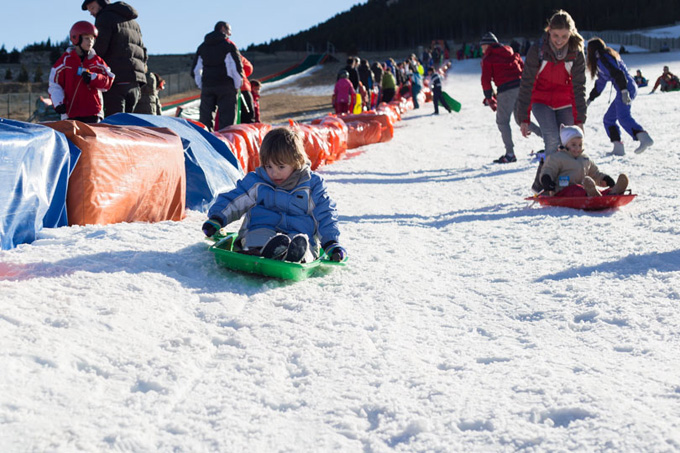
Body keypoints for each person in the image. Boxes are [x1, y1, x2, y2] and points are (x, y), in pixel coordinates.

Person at [201, 127, 346, 263]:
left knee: (301, 242)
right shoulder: (257, 181)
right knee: (257, 235)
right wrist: (217, 218)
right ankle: (259, 251)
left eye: (281, 167)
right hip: (262, 226)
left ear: (297, 162)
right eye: (269, 166)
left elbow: (325, 214)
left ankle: (296, 256)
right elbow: (235, 199)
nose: (274, 173)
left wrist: (331, 242)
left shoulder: (311, 185)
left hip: (298, 232)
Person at [515, 10, 587, 192]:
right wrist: (524, 117)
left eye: (564, 36)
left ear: (571, 33)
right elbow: (527, 84)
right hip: (541, 99)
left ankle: (555, 183)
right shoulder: (538, 51)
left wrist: (580, 120)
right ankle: (549, 185)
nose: (559, 40)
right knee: (552, 138)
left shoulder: (576, 52)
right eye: (555, 35)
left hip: (565, 101)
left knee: (569, 143)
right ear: (549, 31)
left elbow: (579, 88)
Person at [479, 31, 541, 164]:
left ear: (488, 45)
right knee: (521, 120)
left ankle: (510, 153)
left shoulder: (489, 58)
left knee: (502, 121)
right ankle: (550, 141)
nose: (482, 49)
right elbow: (523, 69)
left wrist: (489, 98)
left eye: (483, 46)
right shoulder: (511, 52)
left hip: (506, 90)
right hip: (521, 87)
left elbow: (485, 80)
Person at [586, 37, 654, 155]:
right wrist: (590, 98)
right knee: (609, 119)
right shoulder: (601, 60)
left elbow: (618, 73)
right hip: (625, 88)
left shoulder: (604, 59)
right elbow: (601, 82)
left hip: (626, 87)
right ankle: (618, 147)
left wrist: (623, 91)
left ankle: (644, 137)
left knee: (623, 117)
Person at [81, 0, 147, 116]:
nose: (91, 13)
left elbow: (99, 48)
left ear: (101, 3)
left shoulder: (104, 17)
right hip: (135, 82)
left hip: (116, 82)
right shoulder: (133, 22)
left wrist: (84, 62)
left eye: (92, 8)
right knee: (128, 126)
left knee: (114, 127)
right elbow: (143, 51)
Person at [49, 21, 115, 123]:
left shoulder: (97, 61)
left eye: (92, 39)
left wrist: (94, 78)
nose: (90, 42)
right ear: (76, 38)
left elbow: (109, 81)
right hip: (70, 113)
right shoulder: (65, 62)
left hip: (93, 112)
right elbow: (55, 84)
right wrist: (58, 102)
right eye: (87, 38)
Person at [540, 125, 629, 197]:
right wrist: (546, 180)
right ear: (565, 144)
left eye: (580, 144)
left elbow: (595, 174)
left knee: (591, 190)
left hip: (583, 189)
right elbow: (549, 169)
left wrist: (604, 179)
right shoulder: (557, 157)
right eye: (573, 144)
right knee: (578, 189)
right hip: (562, 191)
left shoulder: (585, 159)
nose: (577, 148)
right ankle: (591, 194)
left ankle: (613, 192)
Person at [191, 21, 244, 131]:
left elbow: (196, 69)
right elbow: (236, 67)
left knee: (205, 118)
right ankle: (225, 143)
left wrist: (202, 84)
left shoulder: (202, 47)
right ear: (222, 28)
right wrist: (237, 84)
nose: (230, 33)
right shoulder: (228, 45)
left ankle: (205, 141)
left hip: (207, 86)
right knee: (227, 119)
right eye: (229, 30)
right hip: (226, 85)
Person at [239, 55, 256, 123]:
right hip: (243, 87)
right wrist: (243, 75)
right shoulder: (235, 53)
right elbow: (249, 68)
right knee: (248, 116)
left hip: (225, 90)